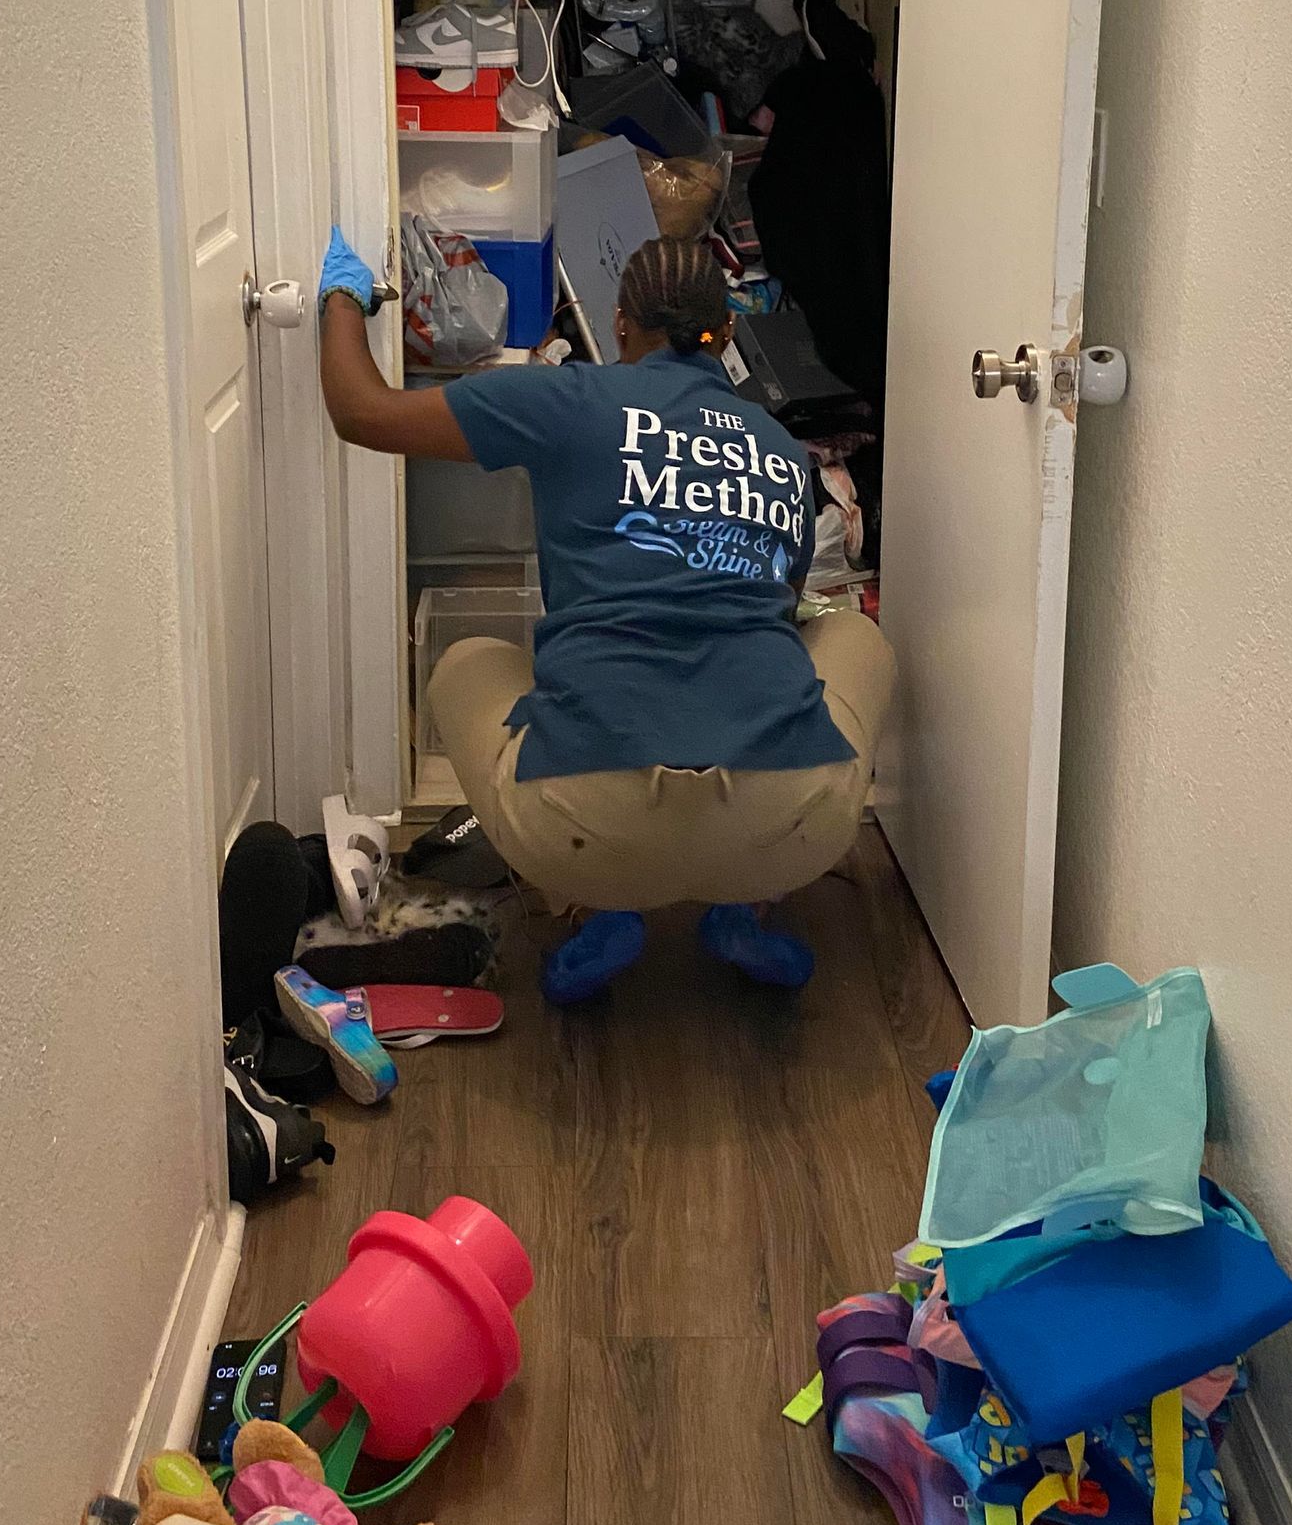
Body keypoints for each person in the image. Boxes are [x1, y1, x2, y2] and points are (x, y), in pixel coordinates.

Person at [316, 227, 896, 1004]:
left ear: (620, 323)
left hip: (585, 827)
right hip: (790, 826)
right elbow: (780, 614)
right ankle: (744, 906)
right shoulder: (783, 451)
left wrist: (343, 299)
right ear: (726, 335)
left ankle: (594, 906)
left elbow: (362, 412)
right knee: (847, 635)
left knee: (468, 663)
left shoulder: (565, 399)